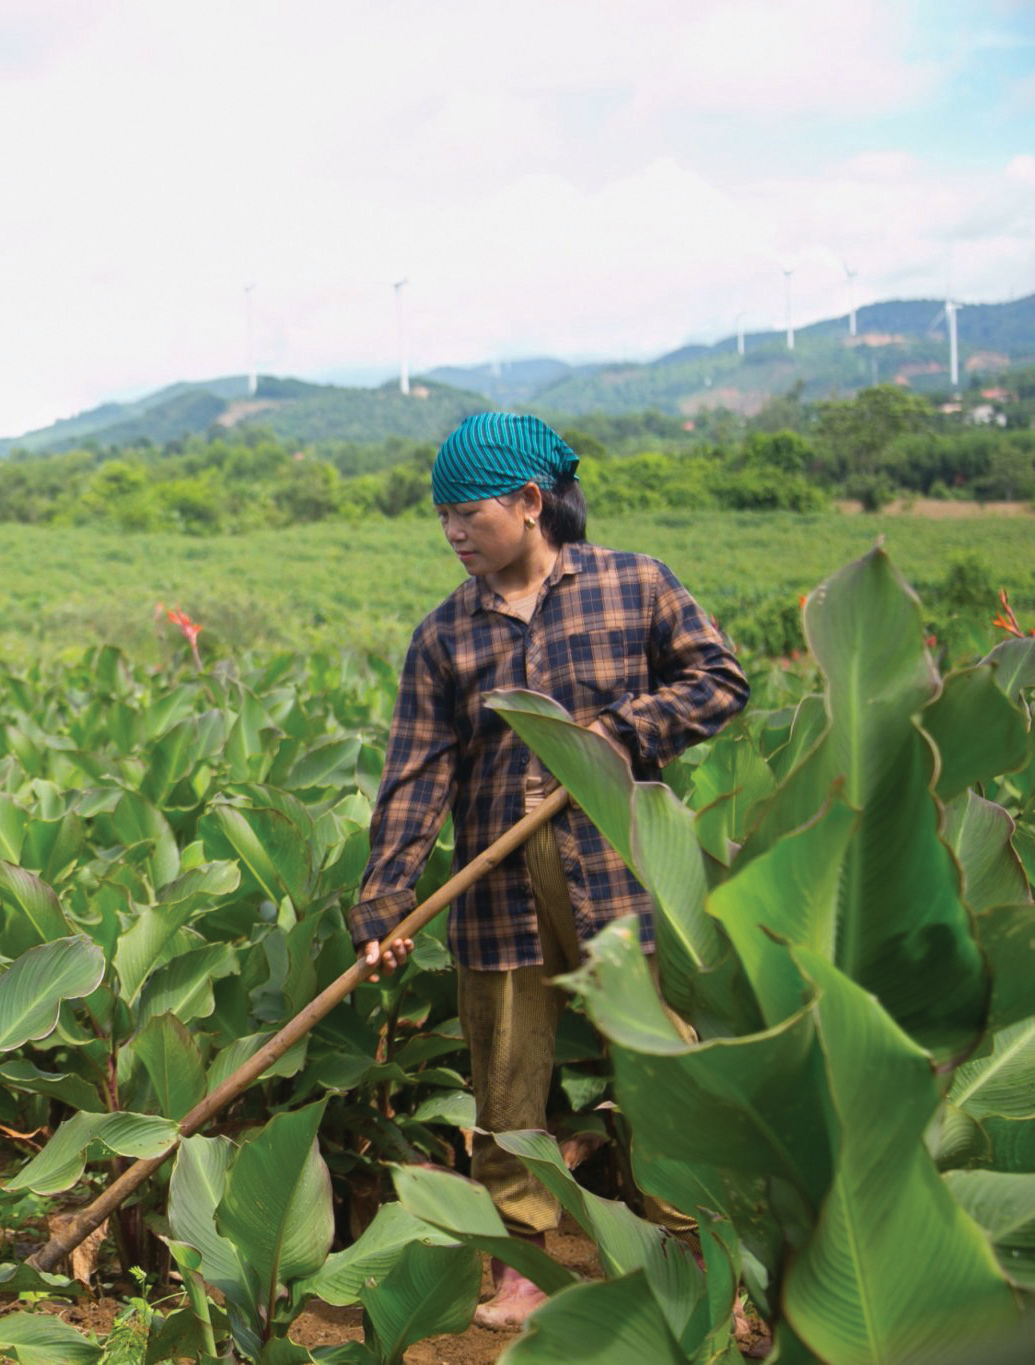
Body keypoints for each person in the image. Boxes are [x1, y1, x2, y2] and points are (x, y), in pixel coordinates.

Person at [346, 412, 747, 1330]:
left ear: (529, 502)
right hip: (496, 893)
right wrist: (384, 903)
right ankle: (521, 1266)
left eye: (466, 513)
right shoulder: (445, 633)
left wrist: (616, 733)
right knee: (507, 1085)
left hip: (619, 874)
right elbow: (416, 774)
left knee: (655, 1065)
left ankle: (688, 1253)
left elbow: (718, 679)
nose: (451, 532)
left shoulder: (633, 584)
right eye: (439, 516)